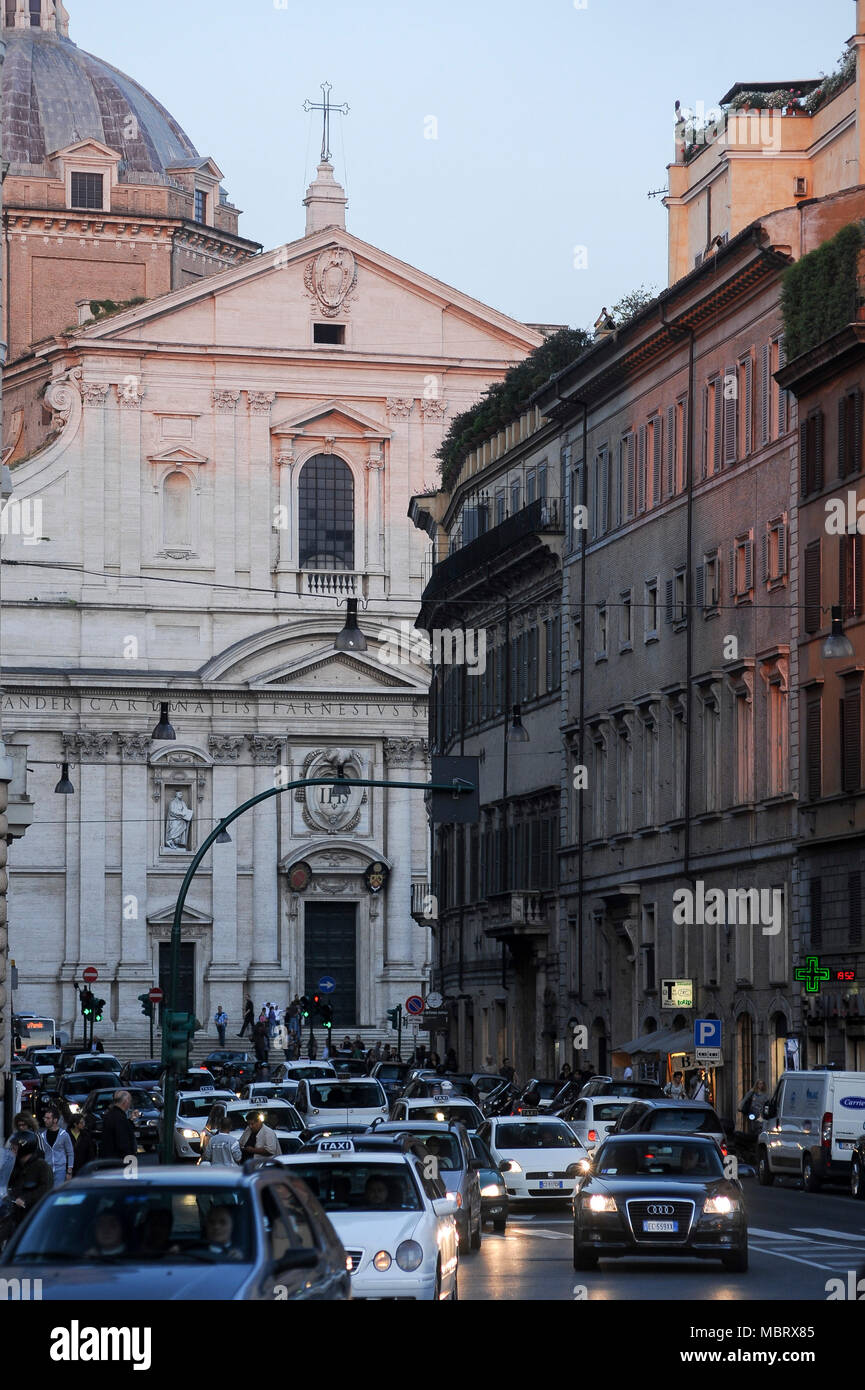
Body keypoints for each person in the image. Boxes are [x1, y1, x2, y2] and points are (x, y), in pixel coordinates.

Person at [0, 1132, 53, 1248]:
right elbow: (7, 1182)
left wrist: (25, 1199)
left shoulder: (41, 1166)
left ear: (24, 1147)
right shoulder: (15, 1165)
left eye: (14, 1147)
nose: (12, 1150)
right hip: (13, 1212)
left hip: (32, 1215)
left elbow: (46, 1189)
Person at [100, 1089, 139, 1163]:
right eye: (130, 1101)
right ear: (125, 1102)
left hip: (110, 1159)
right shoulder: (119, 1117)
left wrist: (131, 1120)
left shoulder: (111, 1115)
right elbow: (122, 1140)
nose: (130, 1104)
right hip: (118, 1161)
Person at [39, 1107, 74, 1187]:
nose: (45, 1120)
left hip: (60, 1170)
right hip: (47, 1170)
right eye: (45, 1118)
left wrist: (69, 1171)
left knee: (58, 1194)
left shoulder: (64, 1135)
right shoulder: (42, 1136)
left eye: (48, 1118)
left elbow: (70, 1153)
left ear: (55, 1120)